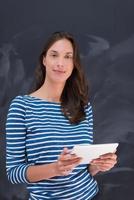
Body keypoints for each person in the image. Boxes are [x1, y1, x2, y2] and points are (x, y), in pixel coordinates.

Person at [6, 31, 117, 200]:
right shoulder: (22, 106)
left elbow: (84, 169)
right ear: (44, 60)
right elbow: (14, 173)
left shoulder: (84, 106)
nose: (60, 63)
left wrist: (98, 165)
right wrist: (55, 169)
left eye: (68, 57)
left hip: (91, 195)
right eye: (54, 55)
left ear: (74, 64)